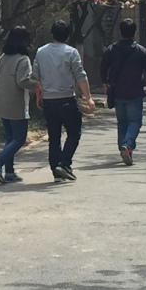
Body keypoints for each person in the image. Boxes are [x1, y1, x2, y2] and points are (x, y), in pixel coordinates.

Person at [34, 19, 94, 182]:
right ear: (67, 35)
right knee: (74, 132)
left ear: (52, 33)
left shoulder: (41, 52)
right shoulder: (71, 52)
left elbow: (36, 77)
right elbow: (80, 75)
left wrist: (39, 96)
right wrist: (88, 98)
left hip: (49, 100)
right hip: (66, 99)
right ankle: (64, 163)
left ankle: (56, 172)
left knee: (54, 136)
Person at [99, 20, 146, 166]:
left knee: (122, 121)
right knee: (135, 121)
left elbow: (103, 66)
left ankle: (123, 147)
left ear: (120, 31)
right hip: (135, 91)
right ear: (134, 32)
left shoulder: (111, 49)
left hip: (117, 91)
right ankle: (128, 145)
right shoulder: (140, 50)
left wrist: (105, 83)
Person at [0, 26, 39, 184]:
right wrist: (38, 85)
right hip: (16, 104)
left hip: (2, 102)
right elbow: (23, 81)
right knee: (19, 138)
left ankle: (9, 172)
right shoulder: (23, 60)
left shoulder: (3, 57)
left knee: (10, 139)